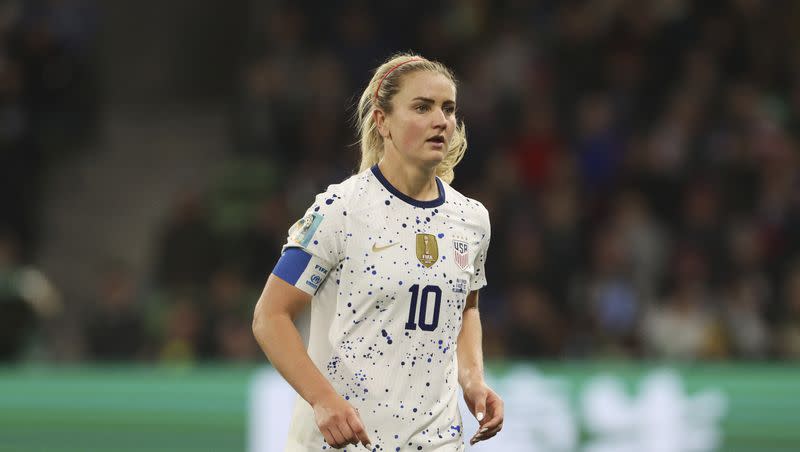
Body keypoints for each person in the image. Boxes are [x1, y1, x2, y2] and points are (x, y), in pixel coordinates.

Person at [252, 52, 504, 451]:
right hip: (344, 443)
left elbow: (465, 307)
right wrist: (322, 399)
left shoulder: (472, 220)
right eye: (422, 107)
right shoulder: (340, 210)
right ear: (382, 120)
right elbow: (270, 315)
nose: (441, 120)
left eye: (448, 108)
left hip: (438, 442)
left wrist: (472, 379)